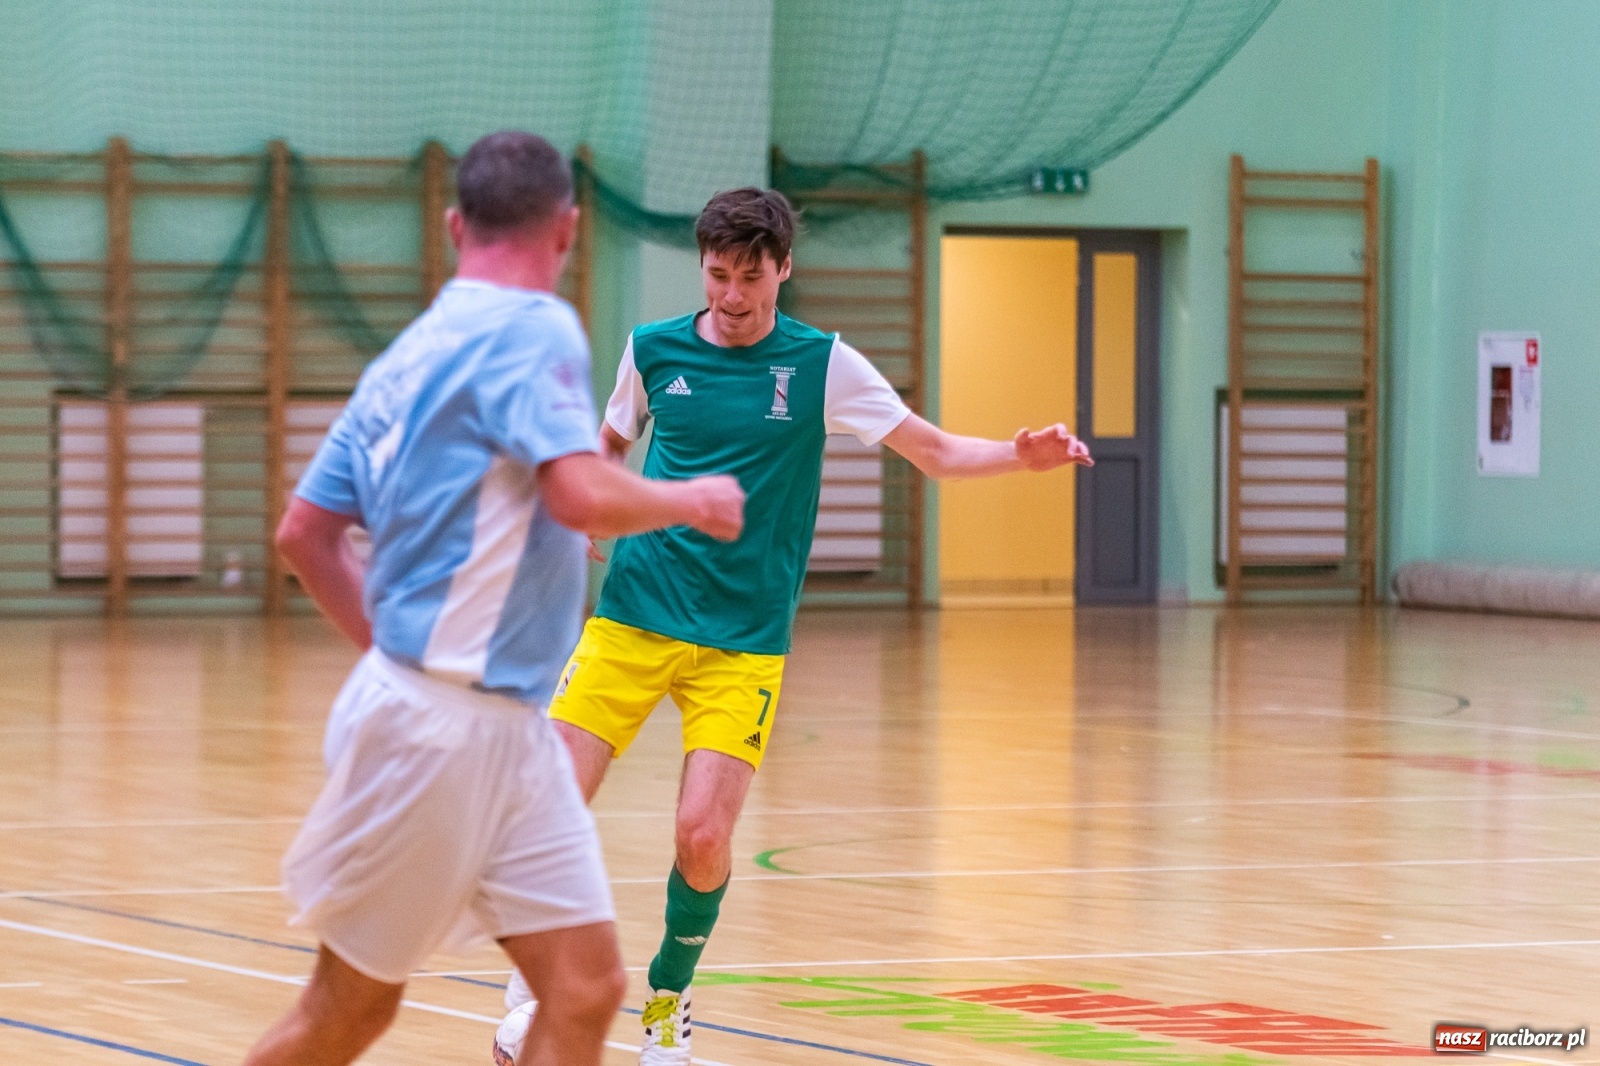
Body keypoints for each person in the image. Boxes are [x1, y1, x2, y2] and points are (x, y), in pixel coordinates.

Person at [497, 186, 1092, 1065]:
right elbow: (610, 441)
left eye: (750, 277)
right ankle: (532, 985)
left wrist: (1018, 455)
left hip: (743, 641)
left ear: (784, 270)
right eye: (717, 275)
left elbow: (932, 451)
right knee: (550, 802)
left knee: (703, 838)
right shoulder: (653, 349)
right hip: (634, 615)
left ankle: (668, 994)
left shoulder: (823, 365)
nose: (732, 296)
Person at [242, 131, 744, 1066]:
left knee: (584, 989)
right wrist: (692, 501)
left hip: (499, 728)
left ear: (452, 226)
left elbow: (304, 534)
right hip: (440, 731)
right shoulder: (533, 326)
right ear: (568, 229)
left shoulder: (403, 359)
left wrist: (393, 659)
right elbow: (577, 493)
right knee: (347, 1011)